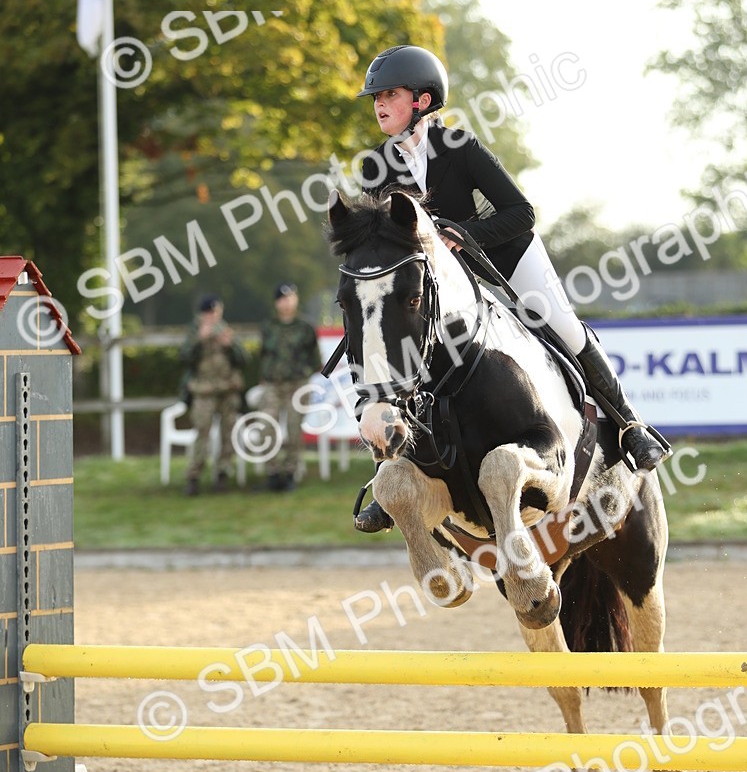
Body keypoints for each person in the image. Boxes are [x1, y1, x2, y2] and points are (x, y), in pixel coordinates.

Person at [352, 44, 671, 533]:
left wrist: (464, 234)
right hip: (446, 281)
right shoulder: (377, 166)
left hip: (507, 254)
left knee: (559, 322)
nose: (378, 104)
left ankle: (630, 425)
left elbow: (522, 212)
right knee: (407, 351)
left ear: (421, 101)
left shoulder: (460, 147)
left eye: (389, 94)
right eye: (376, 96)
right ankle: (389, 475)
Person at [180, 294, 247, 497]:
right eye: (209, 312)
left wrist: (231, 345)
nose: (213, 316)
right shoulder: (194, 332)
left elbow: (244, 359)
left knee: (228, 435)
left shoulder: (226, 331)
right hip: (203, 391)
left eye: (216, 312)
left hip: (228, 390)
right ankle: (193, 477)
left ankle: (222, 475)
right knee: (202, 434)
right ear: (202, 314)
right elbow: (184, 359)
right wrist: (199, 340)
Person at [257, 282, 322, 492]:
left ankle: (291, 473)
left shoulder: (305, 327)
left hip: (297, 385)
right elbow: (263, 356)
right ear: (277, 303)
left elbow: (316, 360)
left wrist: (302, 374)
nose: (286, 303)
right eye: (282, 299)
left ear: (296, 300)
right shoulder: (268, 326)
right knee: (266, 426)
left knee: (294, 429)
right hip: (273, 386)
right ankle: (273, 473)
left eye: (290, 298)